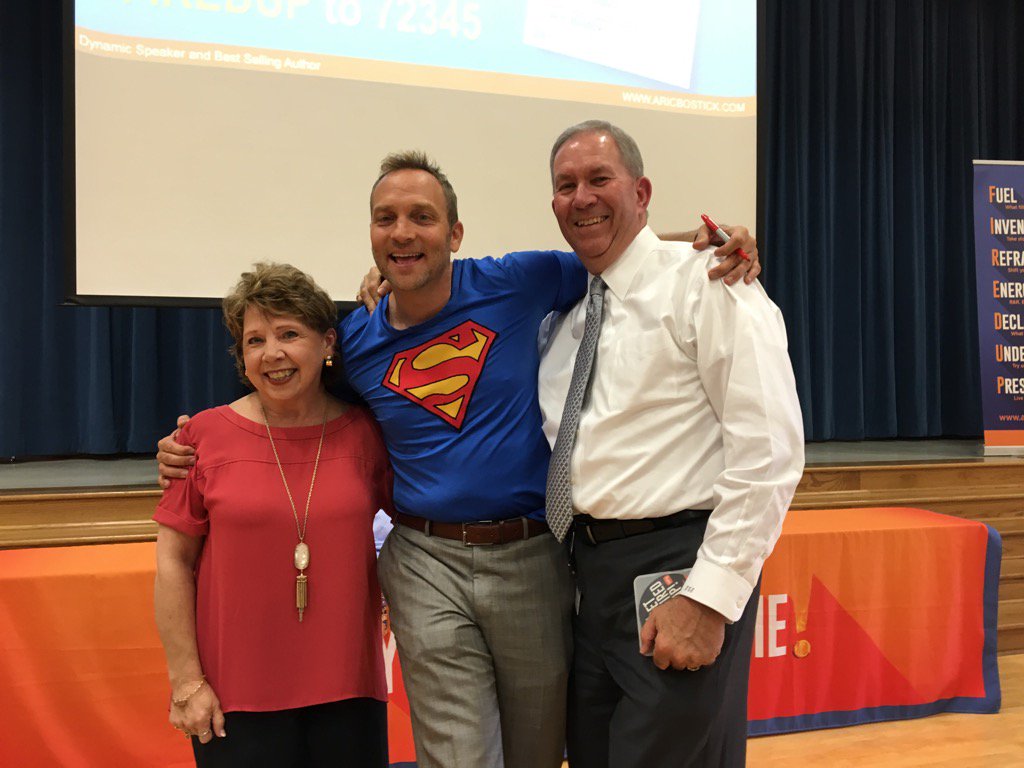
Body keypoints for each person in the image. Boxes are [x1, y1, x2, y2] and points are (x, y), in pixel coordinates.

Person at [158, 154, 759, 768]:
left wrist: (704, 241)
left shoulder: (518, 281)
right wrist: (196, 441)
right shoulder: (357, 340)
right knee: (457, 755)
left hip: (530, 555)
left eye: (422, 216)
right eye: (385, 218)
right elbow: (286, 392)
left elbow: (616, 251)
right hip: (425, 560)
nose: (403, 231)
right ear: (371, 235)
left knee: (536, 748)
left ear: (455, 233)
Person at [537, 120, 804, 768]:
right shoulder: (564, 322)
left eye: (599, 179)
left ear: (642, 190)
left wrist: (710, 598)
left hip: (677, 565)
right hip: (586, 578)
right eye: (566, 185)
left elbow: (769, 449)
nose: (582, 197)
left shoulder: (710, 281)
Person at [154, 263, 392, 767]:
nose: (272, 353)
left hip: (349, 693)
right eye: (255, 340)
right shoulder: (201, 437)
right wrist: (186, 682)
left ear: (328, 343)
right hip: (233, 699)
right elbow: (173, 563)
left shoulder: (368, 433)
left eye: (289, 334)